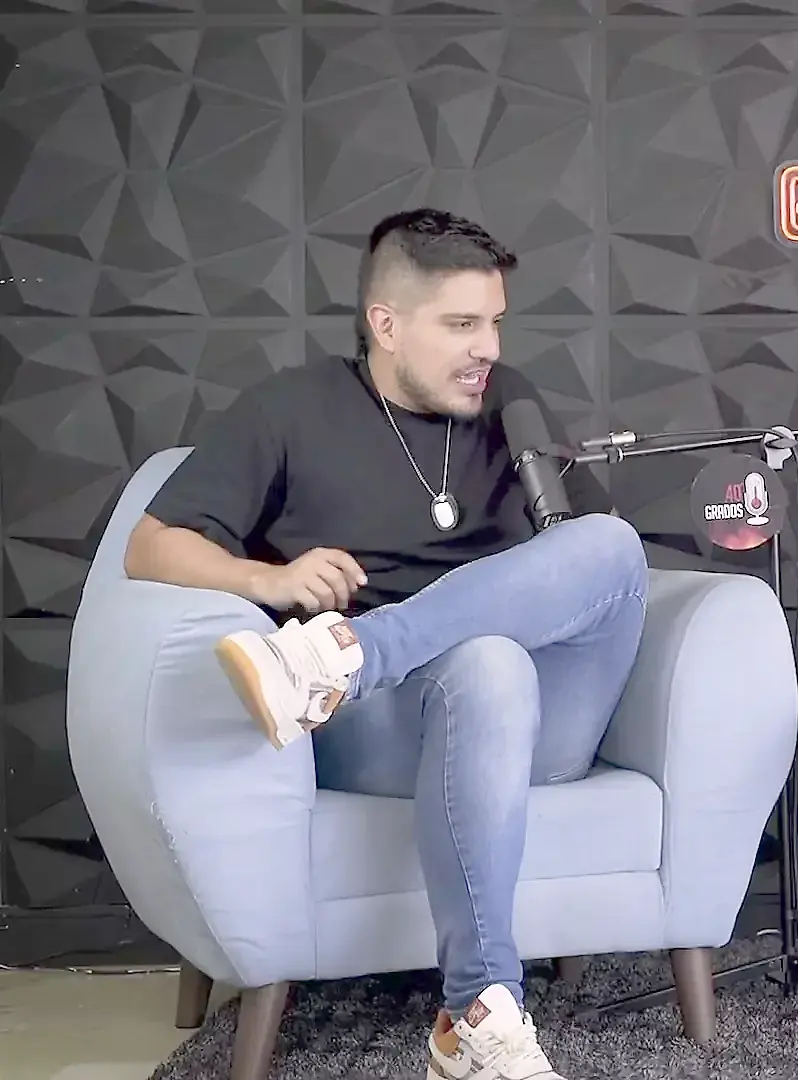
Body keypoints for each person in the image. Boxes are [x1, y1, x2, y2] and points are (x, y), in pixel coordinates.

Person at [124, 208, 642, 1080]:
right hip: (386, 733)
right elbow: (149, 547)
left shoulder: (510, 401)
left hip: (536, 725)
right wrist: (268, 581)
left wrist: (361, 642)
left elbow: (580, 559)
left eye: (495, 322)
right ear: (387, 324)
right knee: (487, 665)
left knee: (613, 547)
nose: (487, 348)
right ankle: (478, 1018)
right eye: (462, 324)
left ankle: (349, 655)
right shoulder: (292, 409)